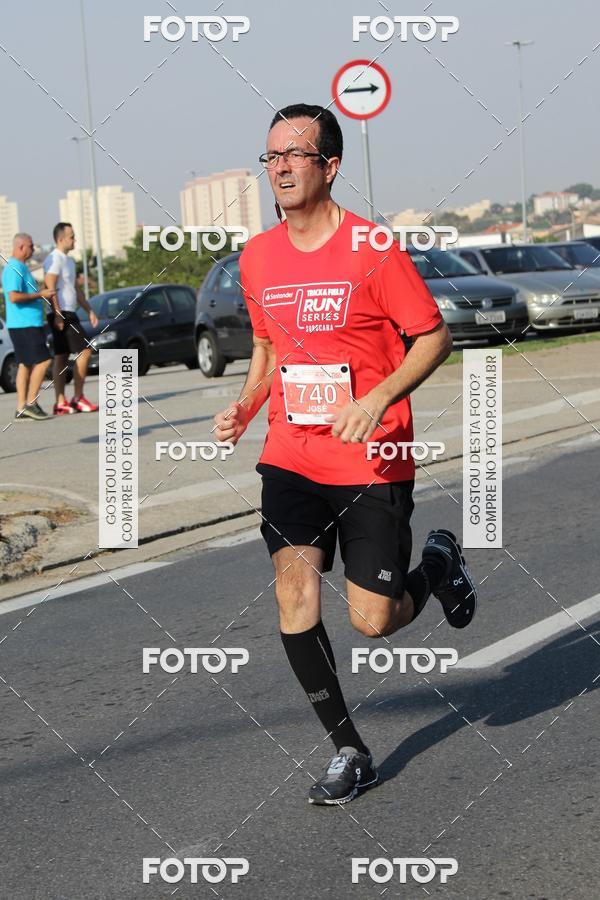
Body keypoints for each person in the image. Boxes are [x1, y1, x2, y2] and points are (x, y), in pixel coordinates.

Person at [213, 104, 477, 806]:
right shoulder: (257, 256)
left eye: (297, 154)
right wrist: (244, 408)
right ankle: (349, 750)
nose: (282, 167)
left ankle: (441, 566)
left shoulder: (373, 249)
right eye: (272, 156)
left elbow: (432, 337)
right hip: (292, 455)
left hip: (370, 460)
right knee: (293, 590)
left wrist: (377, 398)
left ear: (329, 166)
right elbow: (267, 349)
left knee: (374, 620)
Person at [44, 222, 98, 414]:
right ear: (60, 239)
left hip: (70, 312)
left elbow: (76, 289)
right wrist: (57, 314)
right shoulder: (54, 259)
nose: (75, 239)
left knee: (62, 357)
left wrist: (89, 310)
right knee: (85, 350)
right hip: (61, 313)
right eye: (71, 236)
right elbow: (49, 287)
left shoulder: (69, 261)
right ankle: (78, 397)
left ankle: (60, 402)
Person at [1, 233, 55, 420]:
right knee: (44, 360)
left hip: (26, 324)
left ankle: (21, 407)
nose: (33, 249)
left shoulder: (21, 268)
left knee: (25, 365)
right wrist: (41, 294)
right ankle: (31, 403)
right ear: (21, 246)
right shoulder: (14, 268)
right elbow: (14, 297)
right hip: (24, 325)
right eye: (31, 246)